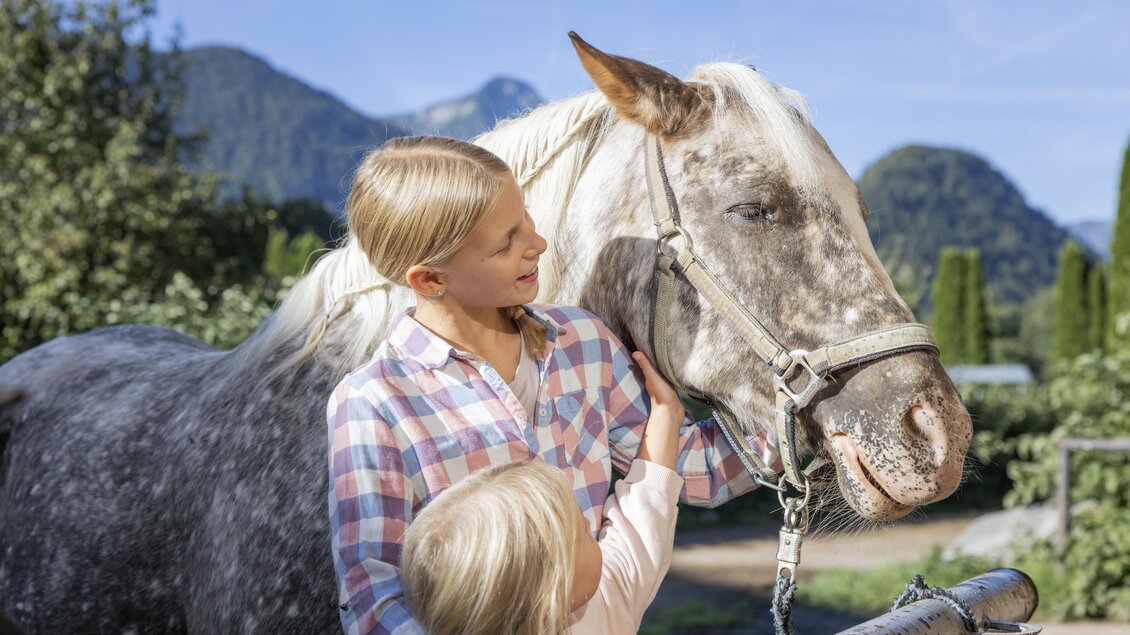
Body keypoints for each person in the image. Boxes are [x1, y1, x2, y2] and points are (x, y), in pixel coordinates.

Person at [326, 135, 777, 634]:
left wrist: (804, 428)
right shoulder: (373, 404)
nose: (537, 244)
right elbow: (374, 591)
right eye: (506, 243)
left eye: (527, 220)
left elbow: (689, 465)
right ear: (430, 280)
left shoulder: (582, 340)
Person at [401, 347, 686, 635]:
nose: (590, 523)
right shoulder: (599, 615)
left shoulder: (594, 602)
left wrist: (666, 413)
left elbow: (640, 521)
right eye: (580, 532)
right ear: (548, 595)